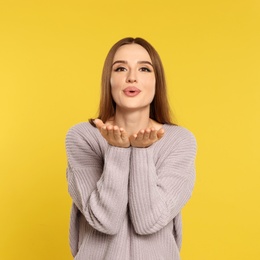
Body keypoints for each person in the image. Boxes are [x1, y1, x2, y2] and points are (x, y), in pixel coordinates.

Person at [65, 37, 197, 260]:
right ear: (109, 80)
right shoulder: (82, 137)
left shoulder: (179, 141)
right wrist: (117, 150)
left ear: (157, 82)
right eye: (121, 68)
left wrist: (141, 152)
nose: (132, 77)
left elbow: (148, 221)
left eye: (144, 69)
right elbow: (104, 221)